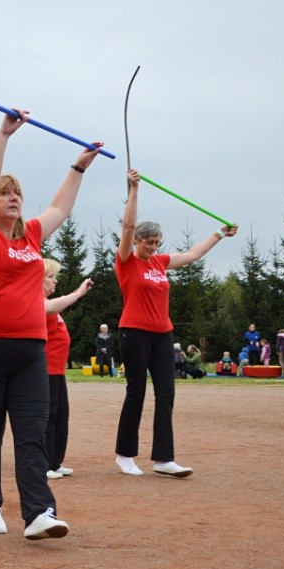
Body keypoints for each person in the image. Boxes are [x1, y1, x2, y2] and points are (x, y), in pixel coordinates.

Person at [0, 106, 100, 541]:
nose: (12, 198)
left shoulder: (32, 235)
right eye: (5, 193)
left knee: (33, 432)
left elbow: (61, 207)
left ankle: (39, 511)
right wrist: (4, 135)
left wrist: (78, 165)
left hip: (29, 349)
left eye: (17, 193)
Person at [114, 169, 238, 479]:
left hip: (162, 334)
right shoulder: (126, 260)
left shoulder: (161, 262)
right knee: (136, 393)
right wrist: (134, 189)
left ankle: (163, 459)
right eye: (149, 242)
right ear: (137, 240)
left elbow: (194, 254)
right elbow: (128, 224)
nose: (154, 247)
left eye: (157, 242)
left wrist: (220, 233)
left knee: (166, 394)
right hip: (134, 333)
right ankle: (125, 455)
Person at [43, 259, 93, 480]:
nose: (55, 281)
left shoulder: (49, 301)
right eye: (51, 277)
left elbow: (58, 303)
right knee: (49, 417)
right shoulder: (38, 302)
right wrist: (79, 293)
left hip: (57, 370)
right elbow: (55, 305)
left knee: (61, 415)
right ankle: (43, 463)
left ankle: (55, 462)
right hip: (45, 370)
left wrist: (78, 291)